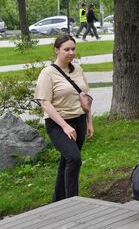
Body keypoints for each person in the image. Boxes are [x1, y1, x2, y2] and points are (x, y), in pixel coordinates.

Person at [34, 35, 93, 201]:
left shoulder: (78, 69)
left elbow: (85, 97)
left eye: (73, 49)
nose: (71, 52)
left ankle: (57, 201)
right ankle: (72, 202)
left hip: (79, 121)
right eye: (66, 49)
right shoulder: (48, 73)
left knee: (66, 162)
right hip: (58, 124)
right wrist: (65, 126)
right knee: (74, 159)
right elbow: (45, 103)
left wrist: (89, 122)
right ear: (56, 50)